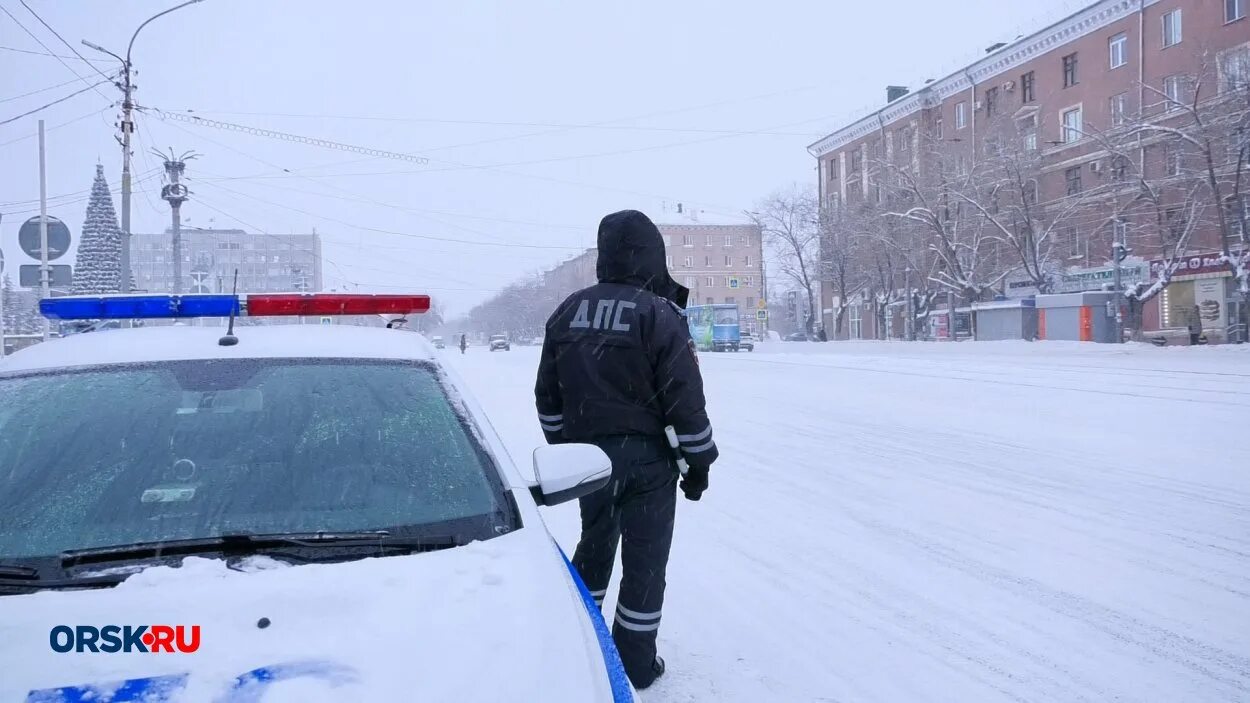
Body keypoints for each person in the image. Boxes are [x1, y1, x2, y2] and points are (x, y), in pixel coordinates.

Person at [534, 209, 718, 690]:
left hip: (590, 462)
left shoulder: (567, 311)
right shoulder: (659, 315)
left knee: (594, 545)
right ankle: (635, 660)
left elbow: (547, 397)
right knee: (645, 561)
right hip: (649, 465)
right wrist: (698, 465)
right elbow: (685, 402)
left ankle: (579, 641)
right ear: (652, 256)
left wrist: (568, 449)